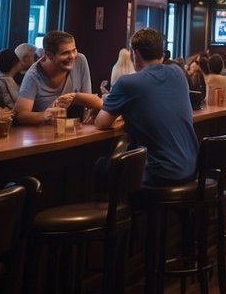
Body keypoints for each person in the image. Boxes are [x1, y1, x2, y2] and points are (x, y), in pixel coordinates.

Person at [81, 28, 198, 185]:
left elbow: (101, 123)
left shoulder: (128, 82)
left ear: (134, 54)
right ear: (161, 53)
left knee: (102, 165)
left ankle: (114, 209)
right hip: (192, 168)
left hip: (159, 173)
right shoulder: (178, 73)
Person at [16, 30, 99, 125]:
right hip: (44, 134)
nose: (72, 56)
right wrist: (43, 115)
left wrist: (74, 96)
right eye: (65, 53)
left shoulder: (80, 60)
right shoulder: (33, 75)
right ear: (49, 55)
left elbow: (90, 101)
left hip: (74, 129)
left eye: (74, 50)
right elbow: (20, 115)